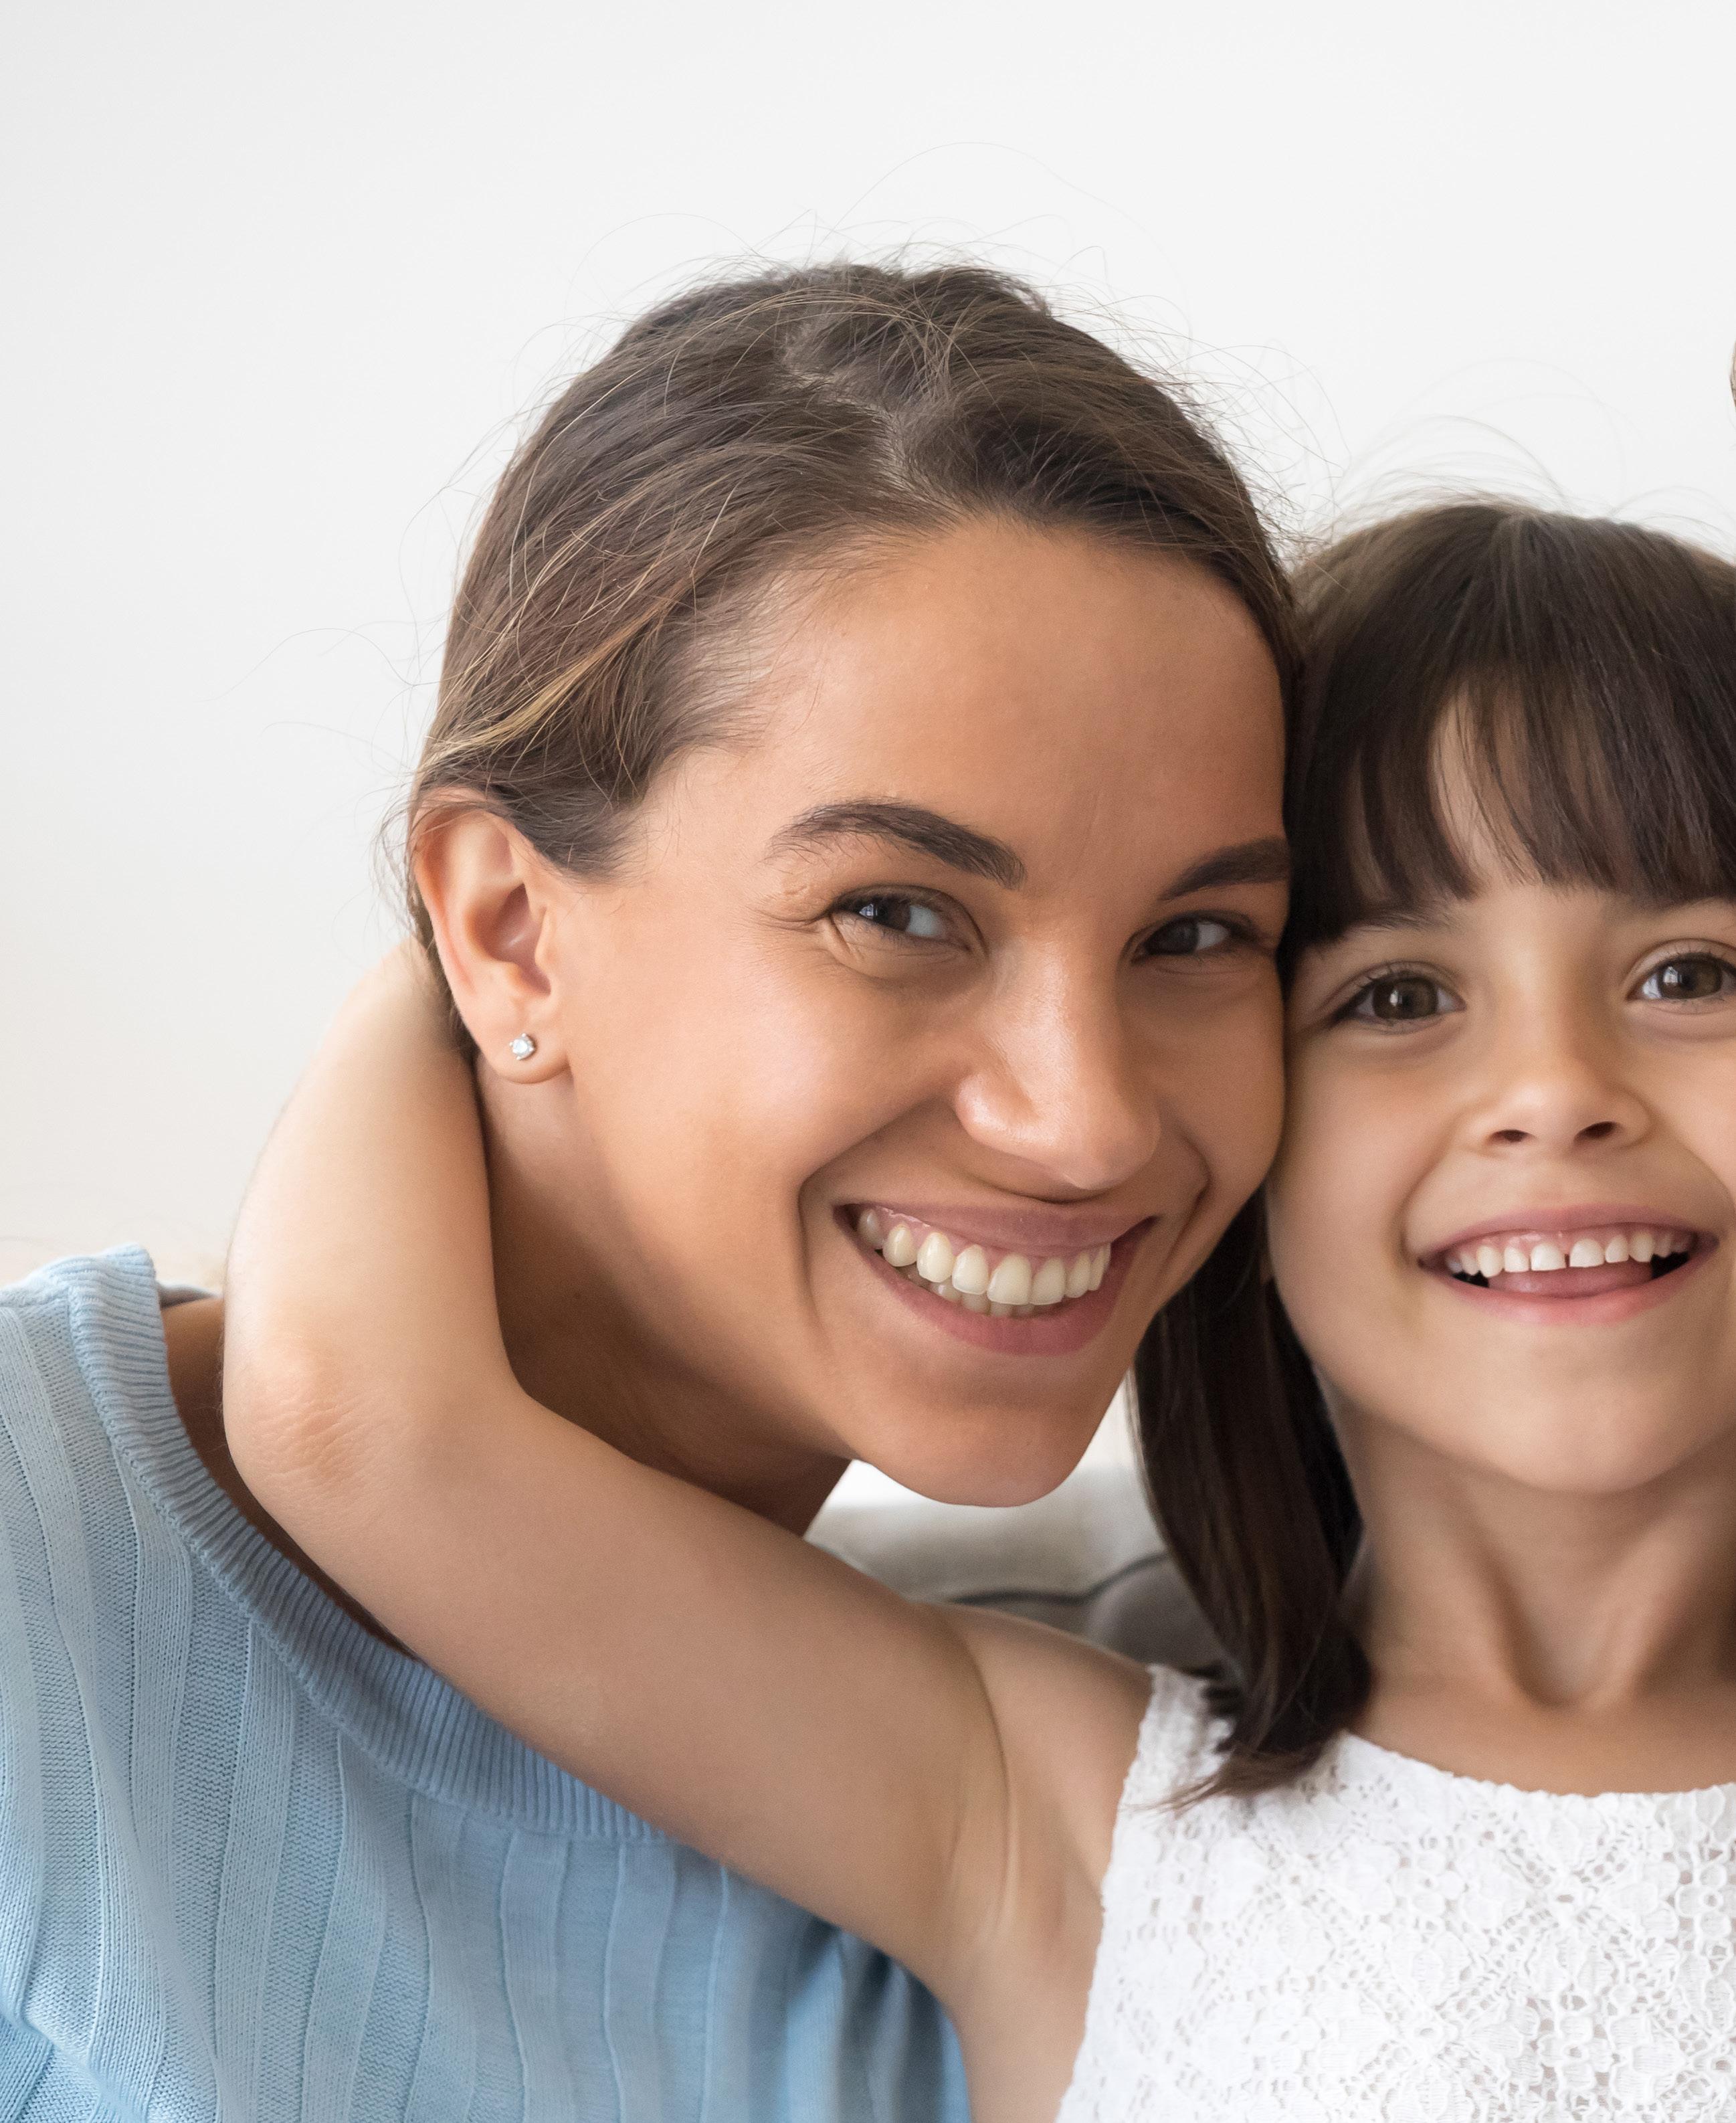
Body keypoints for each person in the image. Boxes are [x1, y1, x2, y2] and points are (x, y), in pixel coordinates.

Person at [225, 498, 1736, 2120]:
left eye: (1691, 976)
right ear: (1252, 1130)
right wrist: (500, 941)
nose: (1551, 1093)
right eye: (1395, 996)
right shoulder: (1037, 1816)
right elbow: (361, 1429)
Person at [0, 260, 1292, 2116]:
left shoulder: (1128, 1746)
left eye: (1196, 933)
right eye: (896, 911)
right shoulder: (37, 1576)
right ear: (506, 931)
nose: (1084, 1124)